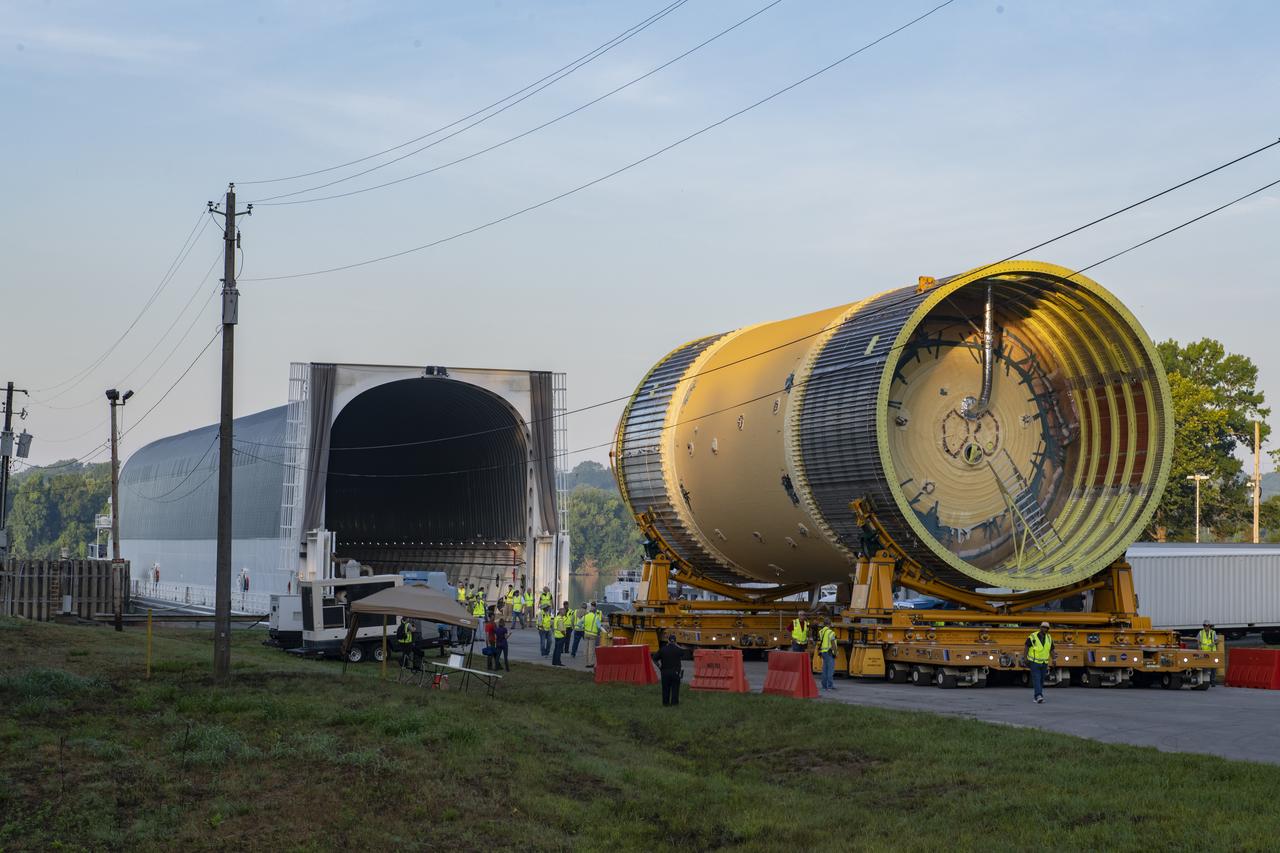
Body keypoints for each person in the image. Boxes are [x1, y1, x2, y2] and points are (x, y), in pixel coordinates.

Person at [1024, 621, 1055, 704]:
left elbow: (1051, 649)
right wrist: (1025, 658)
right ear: (1040, 627)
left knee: (1041, 680)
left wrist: (1054, 659)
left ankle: (1036, 696)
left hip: (1044, 662)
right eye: (1043, 627)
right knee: (1037, 678)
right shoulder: (1033, 636)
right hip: (1034, 662)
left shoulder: (1049, 637)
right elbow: (1026, 646)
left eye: (1046, 628)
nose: (1044, 629)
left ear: (1048, 629)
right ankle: (1039, 696)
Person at [652, 634, 684, 706]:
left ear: (668, 640)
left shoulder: (663, 649)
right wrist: (677, 645)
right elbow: (683, 652)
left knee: (665, 688)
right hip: (676, 672)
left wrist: (659, 666)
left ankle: (665, 703)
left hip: (665, 672)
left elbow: (654, 658)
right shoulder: (678, 650)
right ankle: (674, 703)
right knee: (675, 688)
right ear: (675, 641)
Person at [818, 618, 838, 690]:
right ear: (830, 624)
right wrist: (835, 653)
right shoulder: (831, 632)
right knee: (830, 670)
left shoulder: (821, 632)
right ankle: (830, 685)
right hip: (829, 652)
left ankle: (824, 686)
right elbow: (833, 643)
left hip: (823, 652)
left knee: (824, 669)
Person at [581, 602, 602, 668]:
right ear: (594, 611)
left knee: (586, 649)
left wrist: (583, 627)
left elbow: (579, 624)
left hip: (586, 634)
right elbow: (599, 627)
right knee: (591, 650)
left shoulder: (585, 616)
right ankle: (590, 663)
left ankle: (586, 662)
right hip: (593, 635)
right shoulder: (596, 617)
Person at [1199, 620, 1218, 685]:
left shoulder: (1213, 632)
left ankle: (1212, 681)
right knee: (1204, 666)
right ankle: (1204, 680)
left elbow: (1216, 641)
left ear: (1209, 626)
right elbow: (1198, 641)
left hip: (1212, 652)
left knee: (1213, 666)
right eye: (1204, 625)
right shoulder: (1201, 633)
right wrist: (1199, 647)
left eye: (1207, 625)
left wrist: (1213, 644)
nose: (1206, 627)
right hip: (1204, 652)